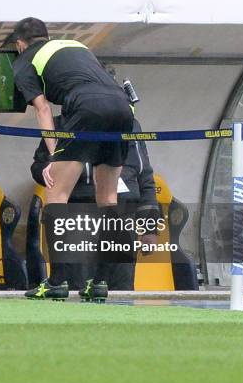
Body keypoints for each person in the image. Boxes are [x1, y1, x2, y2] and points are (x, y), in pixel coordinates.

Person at [11, 17, 134, 300]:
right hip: (122, 108)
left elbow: (42, 109)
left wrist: (53, 155)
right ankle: (100, 283)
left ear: (20, 44)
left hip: (86, 107)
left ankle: (56, 282)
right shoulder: (76, 45)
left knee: (55, 197)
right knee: (109, 201)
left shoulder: (23, 61)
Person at [31, 114, 160, 297]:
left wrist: (150, 227)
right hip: (77, 218)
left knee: (119, 291)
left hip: (121, 219)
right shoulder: (60, 125)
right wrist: (50, 171)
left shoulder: (131, 126)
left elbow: (145, 177)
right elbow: (38, 166)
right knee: (77, 288)